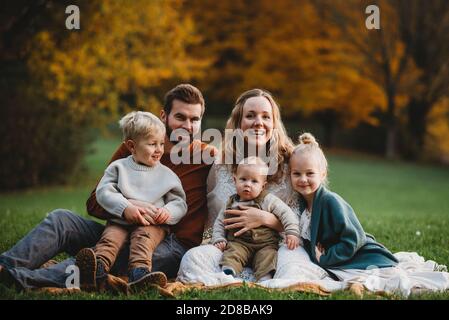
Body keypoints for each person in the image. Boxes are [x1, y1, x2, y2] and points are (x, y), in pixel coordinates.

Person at [0, 84, 216, 291]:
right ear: (163, 116)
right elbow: (95, 202)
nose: (188, 126)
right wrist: (129, 206)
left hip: (172, 246)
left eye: (195, 119)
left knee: (102, 258)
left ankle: (20, 279)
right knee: (61, 219)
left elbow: (245, 170)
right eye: (180, 117)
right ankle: (6, 265)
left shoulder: (209, 158)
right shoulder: (134, 148)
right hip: (120, 229)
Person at [177, 89, 329, 286]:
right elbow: (212, 216)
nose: (258, 122)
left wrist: (267, 219)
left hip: (278, 247)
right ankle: (233, 277)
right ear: (239, 122)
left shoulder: (291, 164)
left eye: (266, 117)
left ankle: (258, 279)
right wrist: (217, 240)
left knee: (295, 270)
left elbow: (308, 219)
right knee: (192, 260)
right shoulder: (221, 164)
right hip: (232, 248)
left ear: (274, 123)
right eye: (250, 116)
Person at [76, 111, 187, 292]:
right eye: (152, 144)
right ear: (131, 146)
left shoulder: (167, 175)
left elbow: (179, 202)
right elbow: (103, 192)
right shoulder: (119, 167)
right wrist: (124, 207)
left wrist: (168, 212)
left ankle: (139, 274)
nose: (159, 149)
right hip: (121, 220)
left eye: (161, 143)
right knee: (109, 240)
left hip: (152, 223)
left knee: (142, 241)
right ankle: (96, 270)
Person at [290, 133, 398, 275]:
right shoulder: (300, 203)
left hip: (360, 256)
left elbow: (354, 238)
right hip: (335, 256)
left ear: (322, 174)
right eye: (297, 174)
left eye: (310, 173)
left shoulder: (331, 201)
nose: (303, 179)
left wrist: (325, 258)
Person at [212, 157, 300, 281]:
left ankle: (264, 277)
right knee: (233, 252)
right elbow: (220, 223)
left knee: (267, 256)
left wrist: (292, 232)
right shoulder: (231, 202)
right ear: (234, 180)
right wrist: (218, 238)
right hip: (239, 242)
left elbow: (287, 214)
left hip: (265, 244)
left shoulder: (268, 200)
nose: (248, 184)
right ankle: (228, 272)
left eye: (254, 181)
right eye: (243, 179)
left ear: (263, 186)